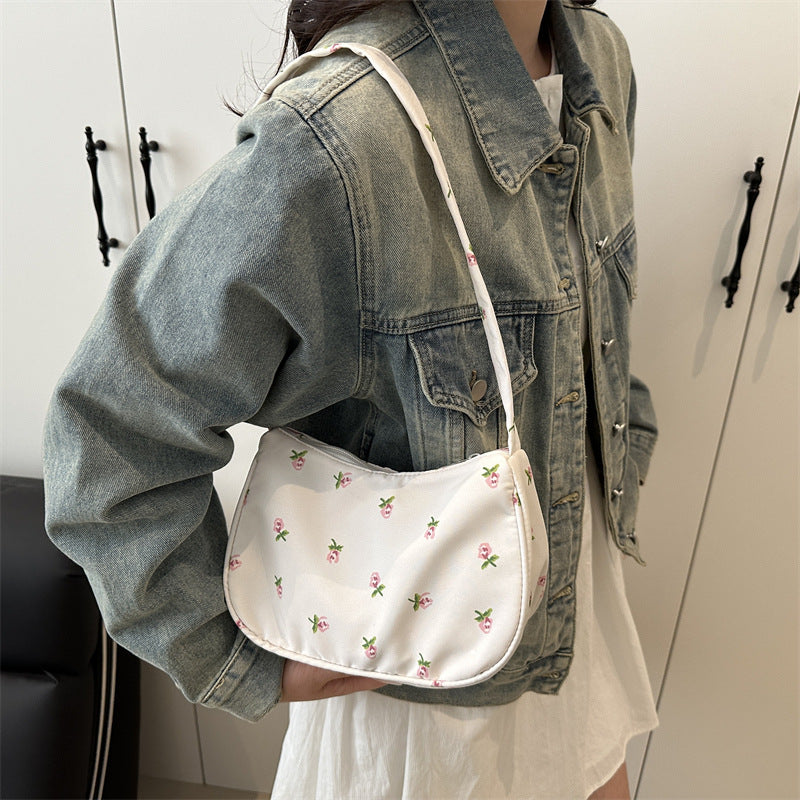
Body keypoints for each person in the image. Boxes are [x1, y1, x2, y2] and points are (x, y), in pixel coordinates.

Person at [43, 1, 660, 797]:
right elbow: (111, 430)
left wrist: (624, 460)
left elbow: (595, 329)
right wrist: (229, 654)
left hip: (581, 626)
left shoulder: (599, 58)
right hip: (424, 715)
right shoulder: (340, 134)